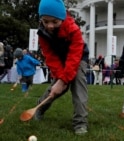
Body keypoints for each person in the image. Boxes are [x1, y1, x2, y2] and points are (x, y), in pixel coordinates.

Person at [35, 0, 89, 135]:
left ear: (62, 18)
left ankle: (80, 123)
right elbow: (51, 57)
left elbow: (74, 57)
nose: (49, 26)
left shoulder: (74, 30)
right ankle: (39, 108)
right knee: (57, 88)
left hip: (78, 58)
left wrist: (64, 80)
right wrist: (60, 80)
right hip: (60, 60)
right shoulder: (42, 34)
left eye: (54, 21)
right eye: (45, 21)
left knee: (78, 83)